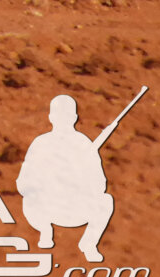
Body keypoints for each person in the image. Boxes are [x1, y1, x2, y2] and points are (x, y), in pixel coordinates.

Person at [17, 94, 116, 262]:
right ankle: (45, 232)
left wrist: (77, 179)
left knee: (106, 201)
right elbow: (24, 183)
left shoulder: (83, 145)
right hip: (46, 207)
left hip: (73, 208)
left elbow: (100, 185)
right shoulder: (41, 143)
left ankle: (89, 244)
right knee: (30, 199)